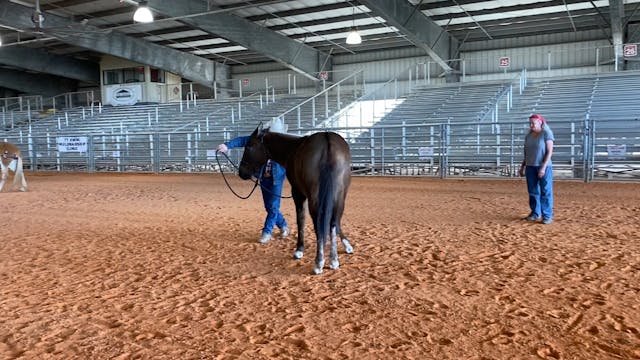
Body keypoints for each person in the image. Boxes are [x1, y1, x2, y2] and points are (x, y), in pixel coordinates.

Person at [216, 127, 290, 244]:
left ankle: (267, 232)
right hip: (263, 177)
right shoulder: (261, 140)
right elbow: (243, 140)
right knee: (269, 206)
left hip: (276, 179)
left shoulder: (282, 146)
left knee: (273, 206)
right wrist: (227, 145)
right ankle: (284, 225)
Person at [519, 114, 554, 224]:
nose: (531, 125)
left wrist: (543, 167)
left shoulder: (546, 133)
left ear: (540, 123)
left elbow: (549, 152)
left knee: (545, 191)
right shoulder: (528, 136)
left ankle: (547, 215)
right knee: (533, 191)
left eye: (533, 123)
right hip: (530, 166)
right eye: (530, 123)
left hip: (544, 166)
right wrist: (523, 166)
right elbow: (526, 153)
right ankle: (535, 212)